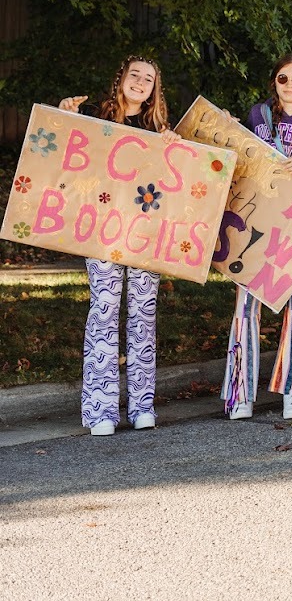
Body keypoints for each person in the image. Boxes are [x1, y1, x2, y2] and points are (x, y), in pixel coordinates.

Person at [58, 55, 180, 436]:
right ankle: (101, 411)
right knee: (104, 313)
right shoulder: (95, 114)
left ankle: (143, 407)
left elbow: (172, 181)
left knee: (143, 316)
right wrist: (64, 118)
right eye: (135, 75)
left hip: (146, 234)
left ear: (154, 89)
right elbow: (69, 158)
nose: (141, 82)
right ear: (122, 79)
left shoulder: (158, 128)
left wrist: (172, 148)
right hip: (103, 230)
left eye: (148, 79)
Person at [223, 54, 292, 422]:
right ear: (275, 82)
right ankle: (241, 392)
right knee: (246, 308)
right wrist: (226, 128)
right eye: (283, 78)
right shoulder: (258, 117)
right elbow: (240, 157)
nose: (289, 85)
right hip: (257, 224)